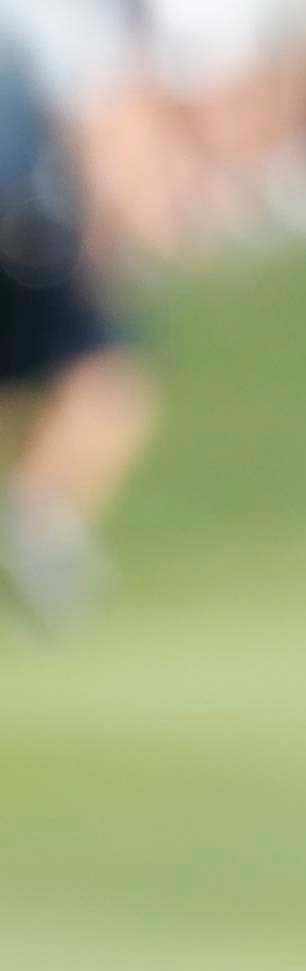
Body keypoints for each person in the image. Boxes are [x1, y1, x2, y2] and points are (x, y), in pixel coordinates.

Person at [0, 46, 158, 630]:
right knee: (110, 384)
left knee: (26, 394)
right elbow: (94, 122)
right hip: (34, 238)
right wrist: (111, 231)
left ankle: (39, 519)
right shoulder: (48, 7)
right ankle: (40, 521)